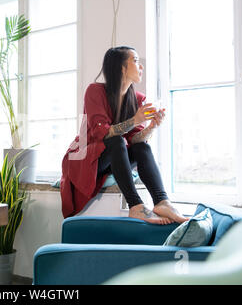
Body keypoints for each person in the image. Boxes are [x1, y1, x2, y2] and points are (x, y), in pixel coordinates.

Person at [60, 46, 189, 224]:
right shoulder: (94, 91)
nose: (141, 67)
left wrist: (152, 126)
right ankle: (135, 206)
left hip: (114, 156)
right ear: (121, 67)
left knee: (142, 147)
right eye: (135, 61)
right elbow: (101, 133)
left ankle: (162, 201)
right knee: (116, 140)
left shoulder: (137, 98)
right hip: (85, 157)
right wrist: (135, 120)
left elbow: (135, 140)